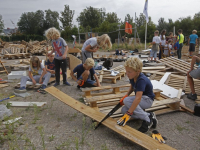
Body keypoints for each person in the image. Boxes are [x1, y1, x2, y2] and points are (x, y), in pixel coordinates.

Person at [116, 57, 157, 133]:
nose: (127, 74)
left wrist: (129, 113)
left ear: (138, 71)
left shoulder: (141, 80)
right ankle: (149, 115)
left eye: (129, 72)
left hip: (147, 100)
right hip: (142, 99)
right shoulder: (132, 76)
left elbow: (138, 98)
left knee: (127, 102)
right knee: (124, 110)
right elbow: (132, 86)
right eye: (126, 71)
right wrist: (127, 94)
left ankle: (148, 119)